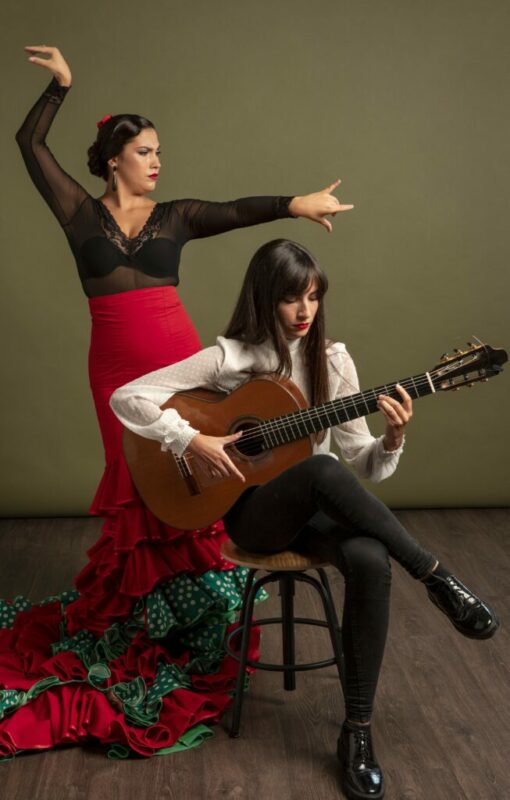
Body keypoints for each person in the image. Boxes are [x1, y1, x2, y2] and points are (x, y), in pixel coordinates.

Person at [0, 46, 353, 759]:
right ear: (113, 160)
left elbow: (236, 210)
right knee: (137, 480)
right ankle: (136, 609)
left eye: (159, 151)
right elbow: (27, 144)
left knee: (195, 472)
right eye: (145, 151)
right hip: (114, 369)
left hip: (176, 362)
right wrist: (60, 88)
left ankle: (186, 596)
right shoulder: (77, 215)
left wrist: (295, 204)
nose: (157, 161)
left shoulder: (176, 217)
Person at [109, 238, 499, 800]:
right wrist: (193, 438)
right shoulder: (230, 359)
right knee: (323, 473)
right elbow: (129, 398)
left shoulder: (332, 360)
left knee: (367, 556)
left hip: (315, 507)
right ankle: (436, 575)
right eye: (291, 298)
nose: (304, 312)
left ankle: (357, 733)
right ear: (265, 299)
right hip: (252, 515)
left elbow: (363, 464)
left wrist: (393, 437)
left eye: (313, 298)